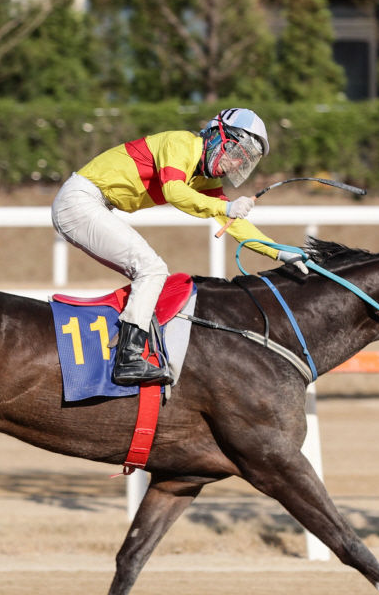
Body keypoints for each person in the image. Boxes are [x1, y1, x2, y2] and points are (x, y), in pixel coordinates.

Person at [51, 107, 307, 386]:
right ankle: (128, 358)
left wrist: (279, 251)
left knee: (149, 274)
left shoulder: (206, 179)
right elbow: (174, 191)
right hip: (79, 201)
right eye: (235, 154)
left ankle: (130, 344)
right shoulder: (180, 144)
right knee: (152, 268)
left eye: (243, 161)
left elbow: (229, 220)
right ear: (216, 136)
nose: (234, 165)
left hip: (93, 204)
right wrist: (225, 205)